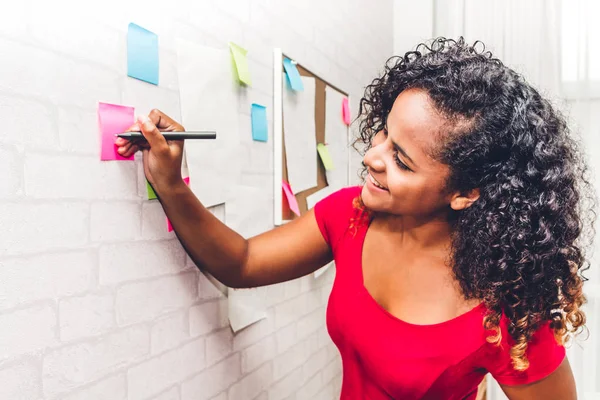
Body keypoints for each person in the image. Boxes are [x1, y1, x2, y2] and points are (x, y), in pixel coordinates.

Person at [115, 37, 595, 399]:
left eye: (402, 161)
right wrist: (172, 184)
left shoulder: (505, 304)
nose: (372, 156)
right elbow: (240, 263)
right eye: (384, 134)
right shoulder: (351, 214)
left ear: (466, 193)